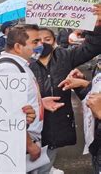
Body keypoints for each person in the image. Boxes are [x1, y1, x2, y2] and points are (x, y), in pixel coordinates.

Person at [0, 24, 67, 173]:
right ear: (18, 47)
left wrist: (40, 102)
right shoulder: (8, 70)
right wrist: (29, 145)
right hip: (22, 144)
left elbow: (21, 101)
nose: (41, 45)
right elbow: (8, 115)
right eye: (35, 42)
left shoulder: (22, 65)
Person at [30, 23, 101, 173]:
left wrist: (97, 26)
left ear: (54, 41)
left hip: (57, 125)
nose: (43, 43)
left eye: (47, 39)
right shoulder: (25, 63)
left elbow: (92, 47)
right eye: (37, 40)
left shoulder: (65, 56)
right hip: (32, 126)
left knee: (47, 162)